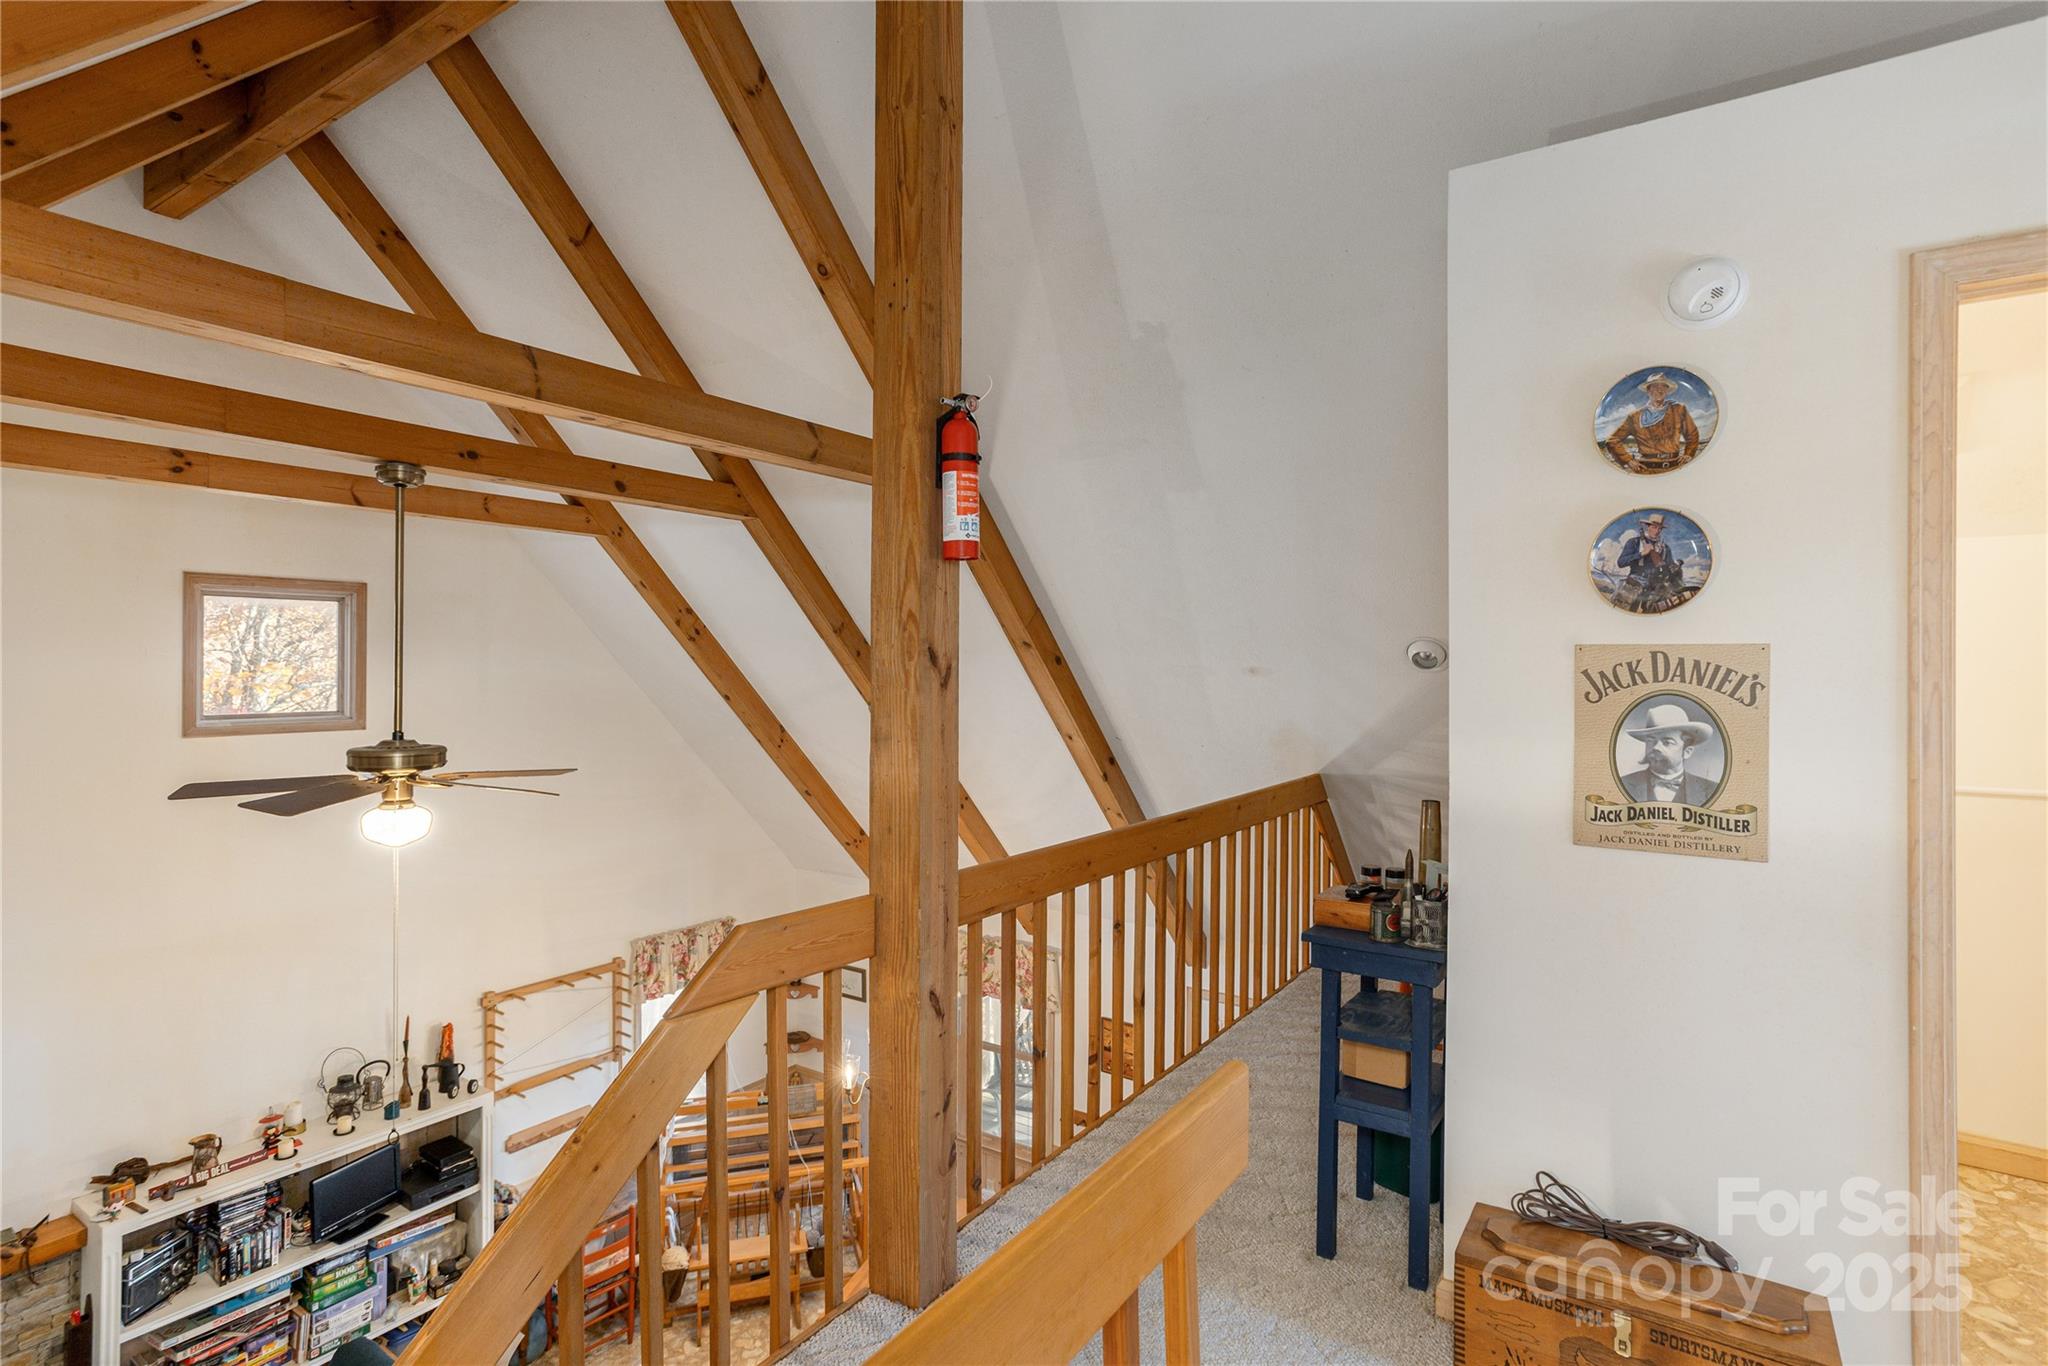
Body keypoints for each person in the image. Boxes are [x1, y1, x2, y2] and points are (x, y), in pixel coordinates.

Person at [1619, 702, 1719, 805]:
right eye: (1651, 740)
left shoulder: (1711, 790)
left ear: (1687, 752)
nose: (1656, 747)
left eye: (1667, 742)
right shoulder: (1623, 784)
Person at [1602, 373, 1702, 472]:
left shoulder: (1679, 410)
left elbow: (1692, 434)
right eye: (1655, 386)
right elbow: (1612, 440)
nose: (1659, 390)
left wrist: (1689, 454)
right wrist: (1628, 460)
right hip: (1645, 470)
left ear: (1667, 391)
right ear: (1648, 390)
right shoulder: (1634, 416)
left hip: (1675, 467)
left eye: (1663, 386)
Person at [1613, 512, 1689, 611]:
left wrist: (1675, 567)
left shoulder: (1665, 548)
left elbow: (1668, 568)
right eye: (1654, 527)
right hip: (1633, 585)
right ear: (1647, 527)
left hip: (1655, 588)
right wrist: (1641, 554)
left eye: (1659, 528)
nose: (1657, 531)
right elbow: (1621, 562)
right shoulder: (1634, 543)